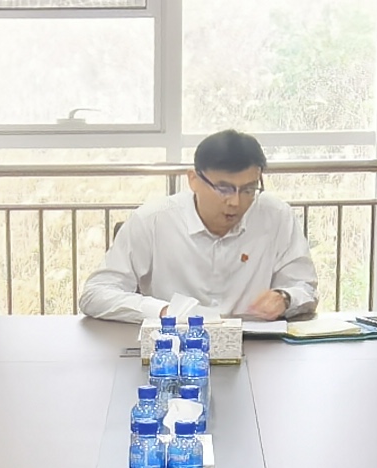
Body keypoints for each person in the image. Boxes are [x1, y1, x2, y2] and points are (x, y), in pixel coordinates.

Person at [79, 131, 316, 324]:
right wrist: (163, 311)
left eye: (248, 189)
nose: (235, 202)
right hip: (175, 347)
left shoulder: (276, 215)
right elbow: (96, 293)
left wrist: (285, 298)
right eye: (223, 188)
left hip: (257, 349)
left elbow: (304, 286)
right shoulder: (153, 220)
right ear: (193, 179)